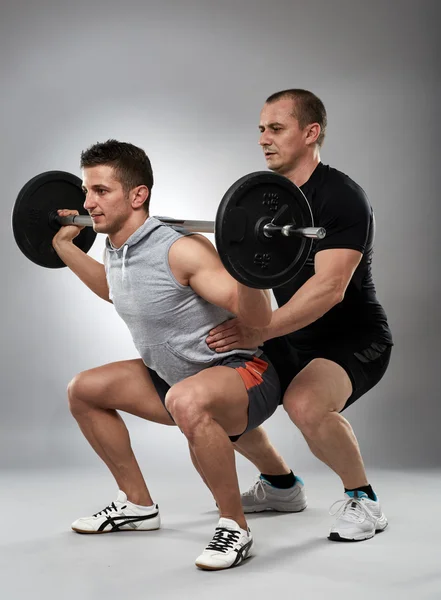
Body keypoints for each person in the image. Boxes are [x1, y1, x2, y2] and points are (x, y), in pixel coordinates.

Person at [51, 139, 281, 570]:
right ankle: (138, 505)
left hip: (242, 375)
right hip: (174, 375)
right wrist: (64, 247)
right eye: (87, 191)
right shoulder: (119, 247)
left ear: (138, 196)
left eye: (101, 191)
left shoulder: (181, 249)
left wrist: (253, 266)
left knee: (188, 401)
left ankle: (234, 525)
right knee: (84, 390)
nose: (88, 202)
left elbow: (257, 313)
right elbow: (118, 292)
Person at [206, 89, 393, 542]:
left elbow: (329, 288)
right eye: (261, 130)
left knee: (305, 403)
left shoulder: (342, 197)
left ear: (310, 133)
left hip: (352, 337)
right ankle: (282, 486)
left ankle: (364, 501)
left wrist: (259, 328)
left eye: (276, 128)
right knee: (217, 394)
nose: (263, 139)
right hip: (290, 335)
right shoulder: (267, 199)